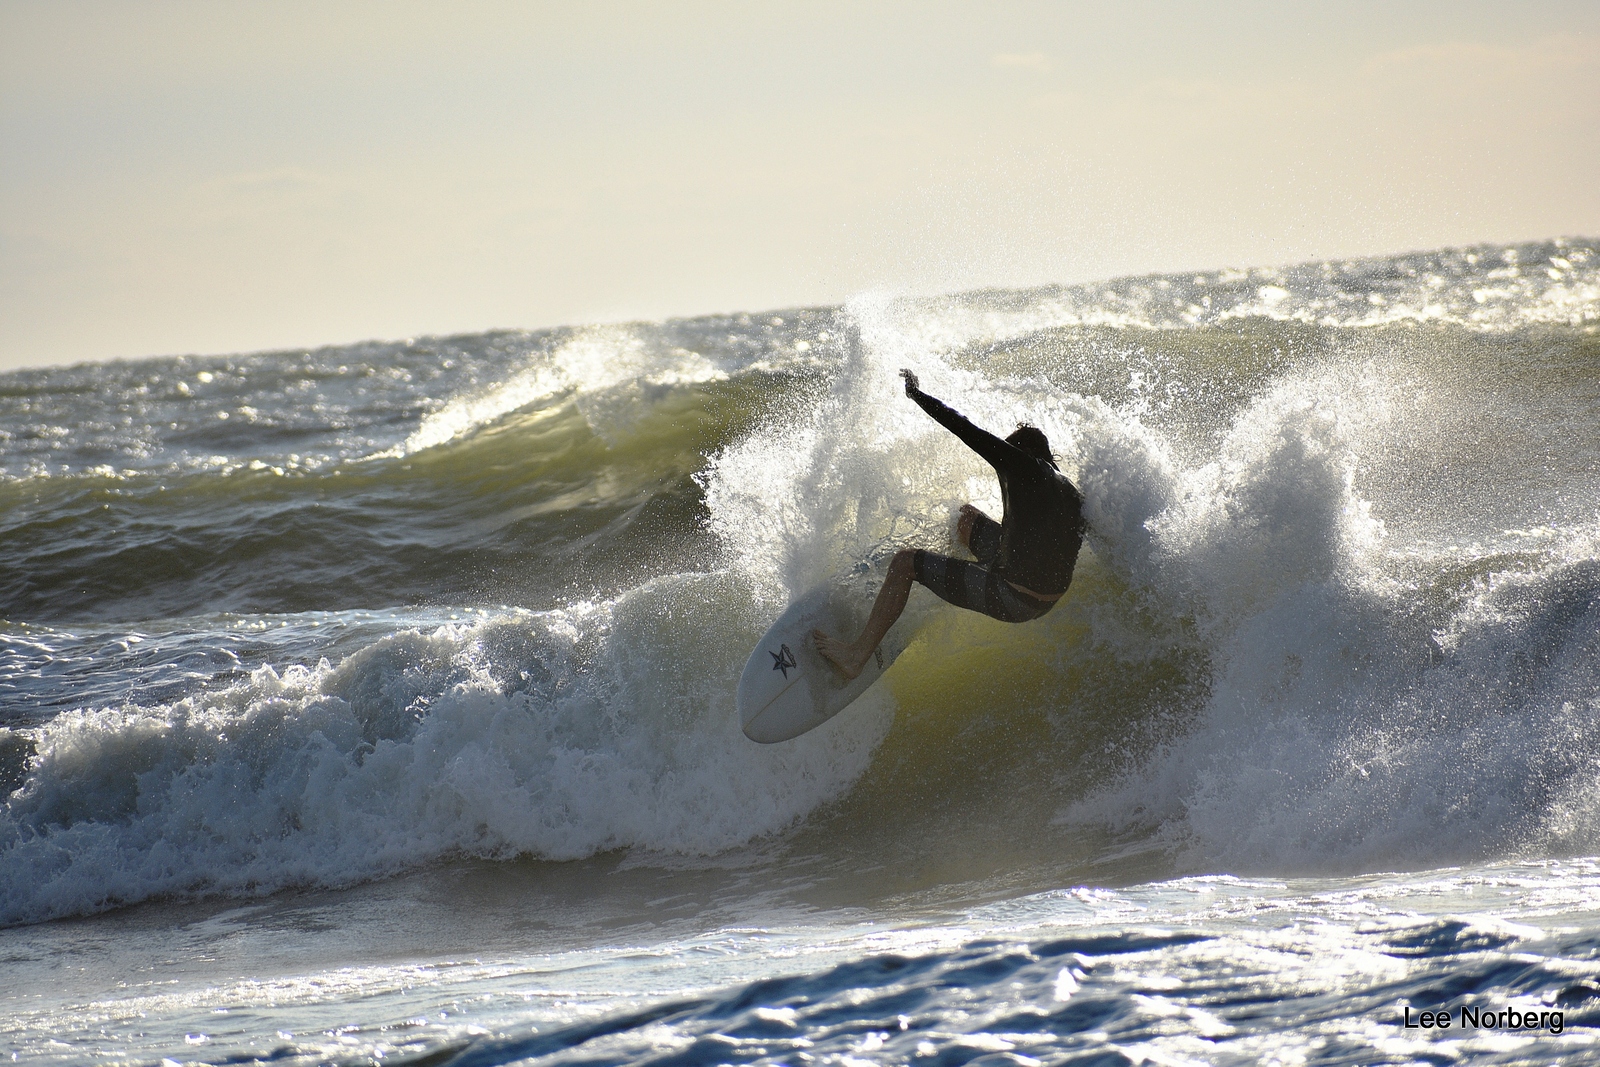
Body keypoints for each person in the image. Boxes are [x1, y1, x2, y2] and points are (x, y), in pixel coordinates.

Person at [813, 369, 1086, 679]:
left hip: (1012, 597)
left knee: (904, 562)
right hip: (1042, 597)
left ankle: (856, 655)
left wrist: (917, 395)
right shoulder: (1070, 492)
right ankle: (941, 577)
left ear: (1021, 453)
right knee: (965, 517)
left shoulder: (1022, 467)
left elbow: (964, 427)